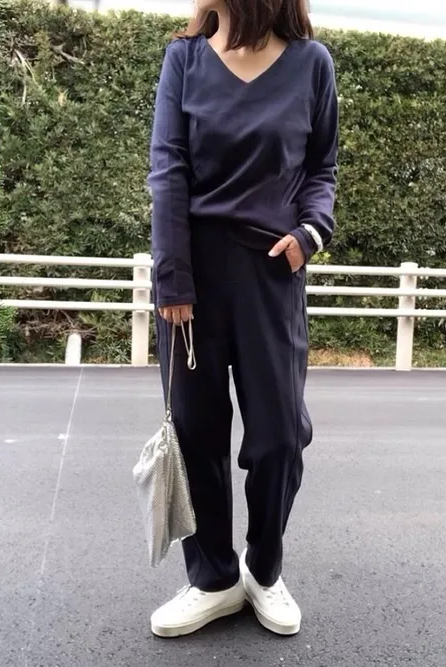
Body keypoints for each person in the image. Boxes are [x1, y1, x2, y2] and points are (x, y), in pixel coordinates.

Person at [148, 0, 338, 639]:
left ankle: (263, 569)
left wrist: (311, 232)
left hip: (271, 273)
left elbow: (321, 169)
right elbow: (168, 169)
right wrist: (173, 276)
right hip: (192, 279)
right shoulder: (184, 59)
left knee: (281, 435)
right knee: (196, 432)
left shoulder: (312, 64)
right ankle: (212, 579)